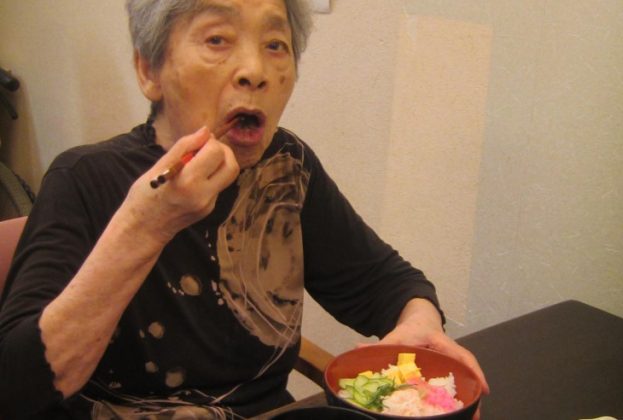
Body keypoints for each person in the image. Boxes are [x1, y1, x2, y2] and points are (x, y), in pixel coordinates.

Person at [0, 0, 489, 418]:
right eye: (217, 40)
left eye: (275, 45)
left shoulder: (288, 168)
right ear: (150, 71)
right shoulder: (84, 178)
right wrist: (145, 225)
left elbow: (384, 282)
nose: (255, 71)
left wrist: (420, 322)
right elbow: (16, 388)